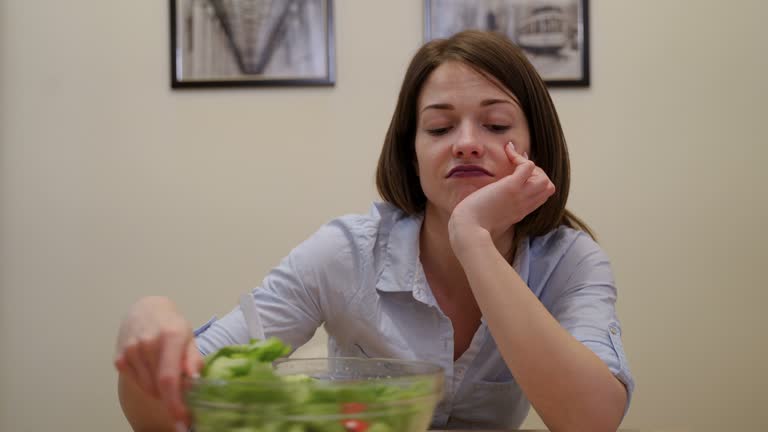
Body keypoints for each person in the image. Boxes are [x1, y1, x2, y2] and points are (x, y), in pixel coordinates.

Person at [115, 30, 634, 431]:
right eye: (439, 127)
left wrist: (472, 236)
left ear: (535, 145)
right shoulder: (344, 254)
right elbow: (171, 410)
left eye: (496, 125)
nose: (467, 143)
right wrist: (146, 330)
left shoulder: (570, 260)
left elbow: (591, 419)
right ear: (411, 153)